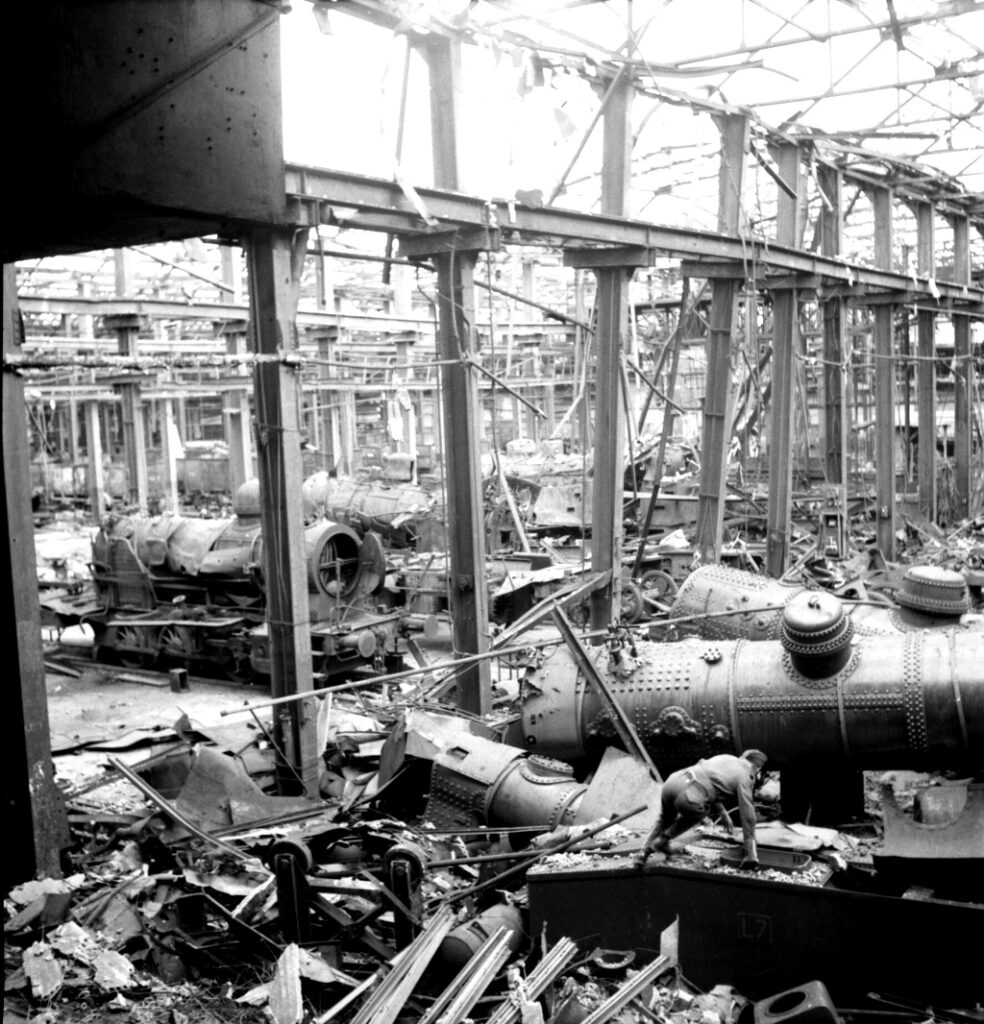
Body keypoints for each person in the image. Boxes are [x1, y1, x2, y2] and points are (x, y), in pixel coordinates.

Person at [635, 749, 768, 869]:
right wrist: (751, 854)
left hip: (673, 781)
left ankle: (642, 854)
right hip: (688, 795)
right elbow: (748, 816)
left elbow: (710, 781)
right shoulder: (746, 776)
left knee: (664, 819)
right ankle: (663, 841)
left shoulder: (726, 757)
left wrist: (722, 812)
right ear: (757, 768)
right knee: (701, 812)